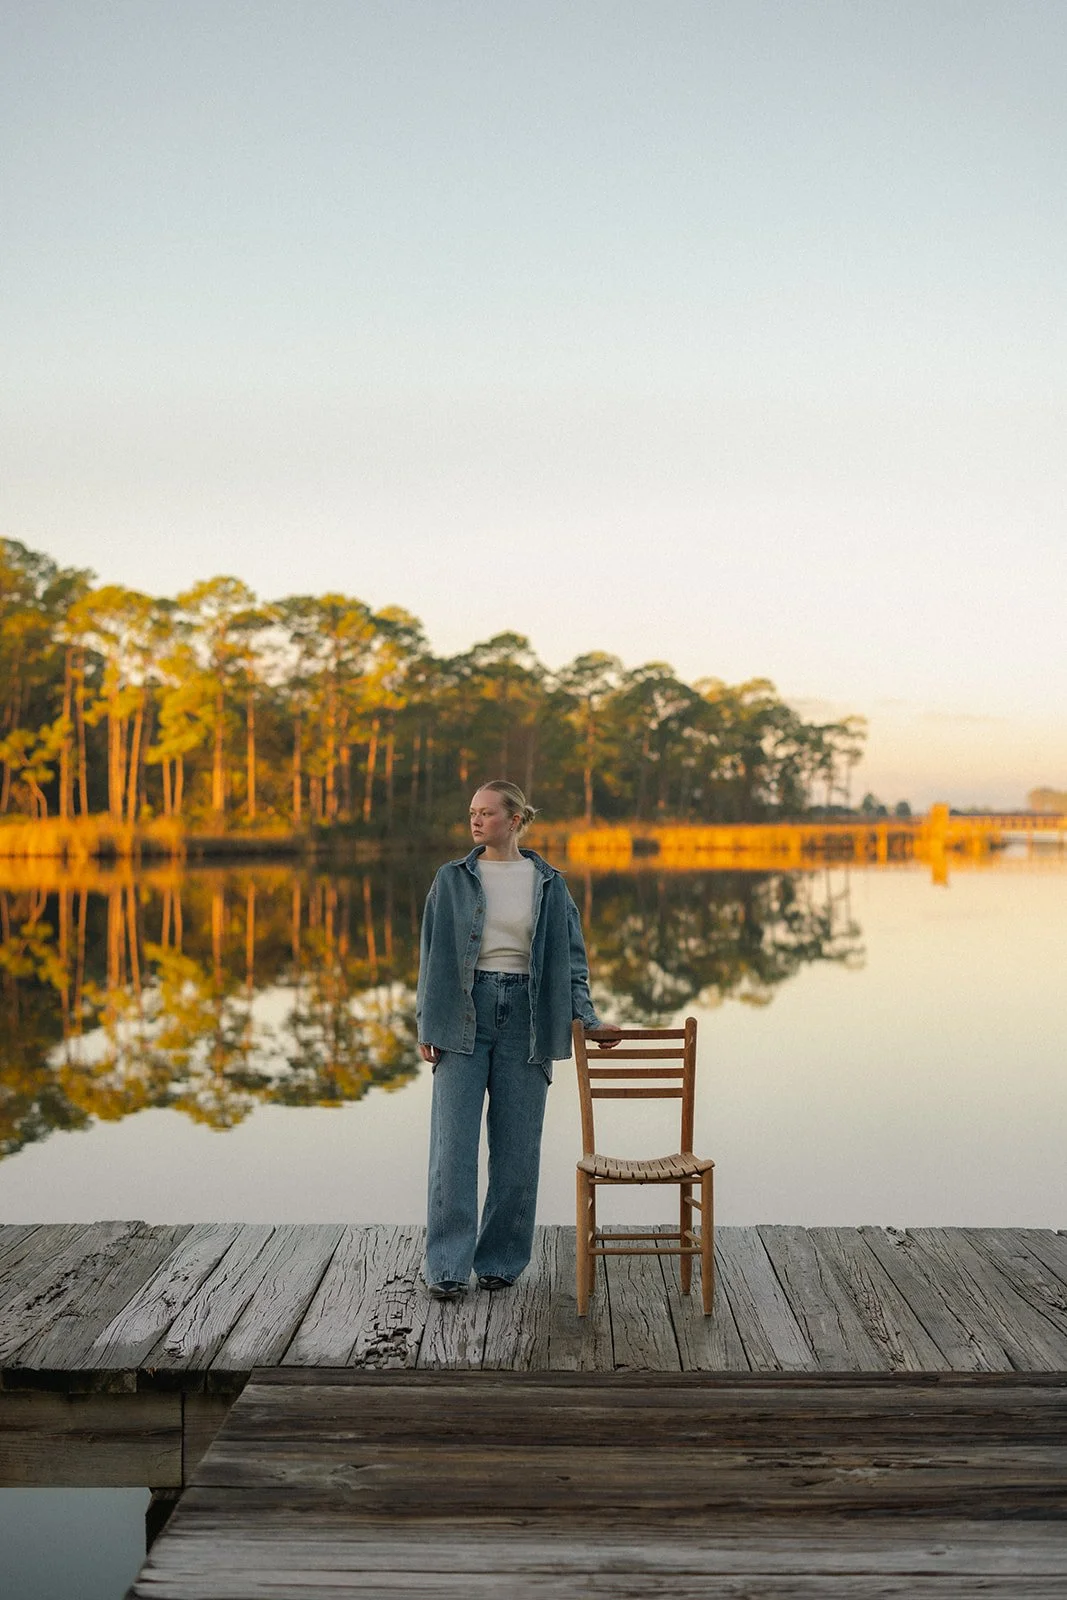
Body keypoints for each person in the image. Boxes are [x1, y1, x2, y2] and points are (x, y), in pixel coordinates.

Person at [416, 779, 619, 1301]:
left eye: (486, 813)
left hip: (529, 1018)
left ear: (514, 819)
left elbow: (573, 963)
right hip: (464, 1014)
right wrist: (427, 1023)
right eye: (471, 813)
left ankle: (500, 1261)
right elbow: (431, 955)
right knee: (452, 1148)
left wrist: (588, 1021)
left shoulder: (549, 882)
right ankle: (447, 1268)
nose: (476, 821)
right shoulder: (451, 879)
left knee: (516, 1150)